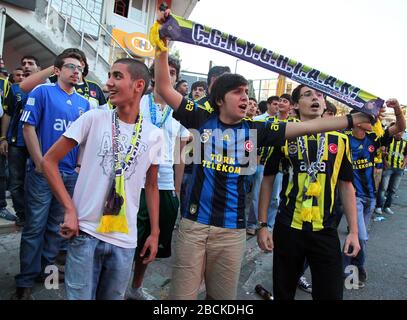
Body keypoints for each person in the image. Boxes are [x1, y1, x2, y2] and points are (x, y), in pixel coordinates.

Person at [152, 14, 376, 298]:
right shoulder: (200, 118)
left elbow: (309, 125)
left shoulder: (258, 129)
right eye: (238, 92)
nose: (246, 97)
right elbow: (163, 87)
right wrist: (162, 45)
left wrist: (354, 118)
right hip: (194, 227)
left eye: (247, 92)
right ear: (220, 99)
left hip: (232, 232)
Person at [41, 58, 163, 300]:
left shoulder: (155, 135)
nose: (108, 83)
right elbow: (48, 161)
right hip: (85, 233)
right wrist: (69, 209)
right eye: (109, 76)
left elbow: (151, 185)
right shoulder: (94, 118)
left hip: (124, 240)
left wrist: (155, 232)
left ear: (138, 85)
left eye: (117, 76)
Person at [257, 84, 380, 300]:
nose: (315, 98)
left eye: (319, 95)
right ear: (295, 105)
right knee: (283, 292)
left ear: (324, 104)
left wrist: (353, 231)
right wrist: (262, 225)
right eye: (307, 95)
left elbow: (346, 185)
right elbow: (267, 180)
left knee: (330, 294)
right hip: (288, 228)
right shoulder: (284, 134)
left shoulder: (340, 140)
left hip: (325, 230)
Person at [11, 52, 90, 300]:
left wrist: (78, 167)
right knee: (35, 226)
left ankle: (48, 274)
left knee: (57, 229)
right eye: (70, 66)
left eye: (80, 68)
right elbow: (28, 127)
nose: (76, 71)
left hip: (68, 175)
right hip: (42, 174)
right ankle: (24, 282)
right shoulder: (42, 92)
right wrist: (39, 163)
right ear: (57, 70)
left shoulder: (85, 104)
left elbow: (84, 141)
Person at [126, 55, 189, 300]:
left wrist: (176, 188)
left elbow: (180, 154)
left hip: (162, 185)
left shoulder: (181, 111)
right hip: (132, 181)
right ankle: (114, 285)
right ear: (153, 75)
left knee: (150, 244)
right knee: (123, 239)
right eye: (164, 70)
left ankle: (135, 288)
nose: (168, 75)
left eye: (173, 72)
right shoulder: (137, 101)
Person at [344, 103, 404, 289]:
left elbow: (400, 128)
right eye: (367, 118)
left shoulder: (373, 139)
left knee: (357, 238)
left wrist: (398, 110)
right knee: (360, 237)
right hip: (353, 197)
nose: (372, 121)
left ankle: (350, 274)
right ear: (357, 122)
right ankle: (358, 268)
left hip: (370, 196)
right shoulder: (342, 140)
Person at [0, 56, 41, 227]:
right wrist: (3, 138)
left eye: (30, 64)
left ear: (39, 68)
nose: (26, 66)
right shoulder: (15, 89)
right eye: (24, 63)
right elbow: (8, 114)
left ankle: (36, 216)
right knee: (16, 182)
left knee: (35, 181)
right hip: (16, 143)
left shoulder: (47, 88)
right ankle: (22, 215)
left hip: (38, 145)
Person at [20, 48, 106, 109]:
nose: (74, 69)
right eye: (70, 65)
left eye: (77, 64)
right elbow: (24, 86)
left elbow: (104, 116)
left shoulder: (94, 87)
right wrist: (57, 66)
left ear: (83, 65)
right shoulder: (53, 81)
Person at [375, 124, 407, 216]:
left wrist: (403, 166)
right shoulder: (389, 140)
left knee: (393, 189)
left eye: (401, 132)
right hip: (388, 168)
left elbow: (406, 156)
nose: (399, 133)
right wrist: (385, 162)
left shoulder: (405, 143)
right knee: (383, 188)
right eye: (398, 131)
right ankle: (379, 207)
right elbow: (383, 152)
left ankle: (387, 207)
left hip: (399, 170)